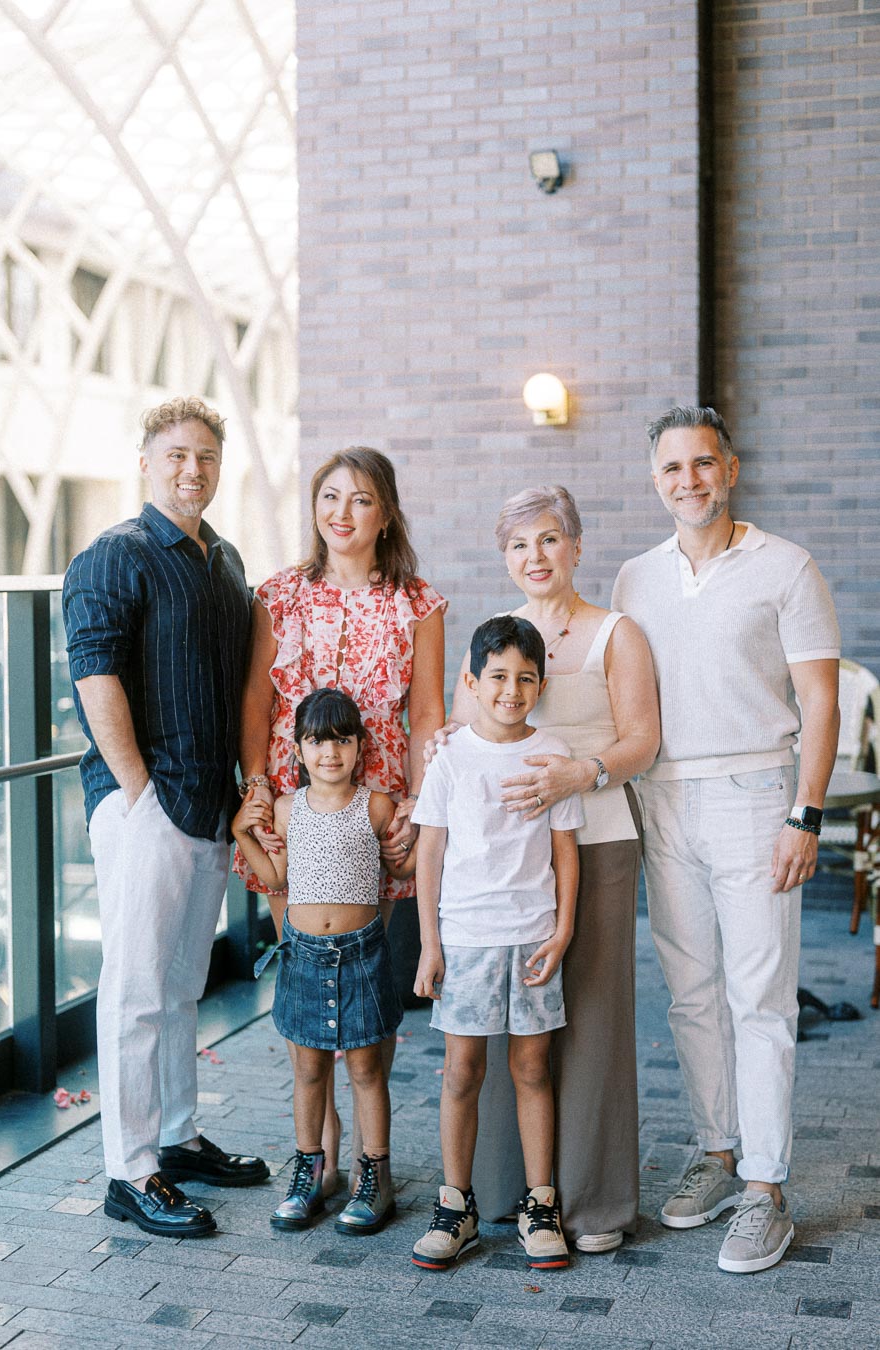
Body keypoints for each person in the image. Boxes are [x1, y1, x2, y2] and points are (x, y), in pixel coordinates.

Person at [612, 405, 840, 1274]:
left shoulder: (787, 566)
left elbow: (820, 699)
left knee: (761, 999)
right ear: (655, 480)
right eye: (673, 468)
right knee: (691, 995)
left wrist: (805, 813)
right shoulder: (635, 579)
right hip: (662, 798)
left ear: (731, 469)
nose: (689, 480)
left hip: (755, 796)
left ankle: (765, 1189)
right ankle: (717, 1153)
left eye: (703, 463)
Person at [430, 486, 660, 1252]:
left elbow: (643, 741)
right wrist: (441, 741)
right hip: (505, 863)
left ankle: (591, 1203)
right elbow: (465, 730)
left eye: (550, 539)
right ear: (506, 557)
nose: (536, 556)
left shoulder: (615, 633)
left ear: (576, 546)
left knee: (589, 1021)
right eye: (520, 544)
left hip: (595, 838)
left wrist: (579, 774)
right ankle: (504, 1192)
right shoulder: (498, 639)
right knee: (505, 1034)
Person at [62, 395, 268, 1240]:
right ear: (146, 460)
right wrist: (139, 795)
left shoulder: (224, 560)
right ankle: (131, 1170)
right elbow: (95, 678)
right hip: (145, 806)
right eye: (177, 454)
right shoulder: (115, 555)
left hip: (210, 804)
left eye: (207, 456)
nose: (193, 469)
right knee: (137, 991)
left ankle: (176, 1138)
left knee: (183, 985)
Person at [236, 446, 446, 1193]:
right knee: (303, 980)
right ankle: (316, 1161)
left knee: (364, 990)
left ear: (385, 512)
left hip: (377, 815)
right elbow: (257, 702)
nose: (342, 513)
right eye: (330, 496)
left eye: (360, 499)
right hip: (291, 809)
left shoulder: (418, 603)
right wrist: (257, 788)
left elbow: (427, 712)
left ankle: (370, 1163)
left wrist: (420, 803)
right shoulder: (279, 594)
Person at [411, 616, 585, 1272]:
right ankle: (455, 1207)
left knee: (532, 1069)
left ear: (542, 685)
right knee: (462, 1071)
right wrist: (430, 944)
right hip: (466, 939)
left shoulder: (552, 753)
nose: (512, 690)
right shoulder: (451, 757)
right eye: (499, 677)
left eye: (526, 678)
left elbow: (565, 852)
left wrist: (563, 930)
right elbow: (431, 852)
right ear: (472, 682)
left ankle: (540, 1207)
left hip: (534, 937)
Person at [233, 688, 415, 1235]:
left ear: (360, 746)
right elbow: (274, 878)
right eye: (316, 741)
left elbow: (402, 872)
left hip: (362, 955)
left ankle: (375, 1176)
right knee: (309, 1070)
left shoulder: (376, 805)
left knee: (365, 1069)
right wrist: (241, 831)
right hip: (304, 958)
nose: (329, 752)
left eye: (341, 741)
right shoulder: (287, 810)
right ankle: (309, 1173)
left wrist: (415, 836)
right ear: (298, 749)